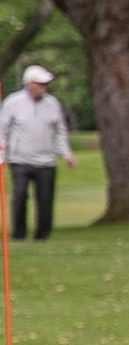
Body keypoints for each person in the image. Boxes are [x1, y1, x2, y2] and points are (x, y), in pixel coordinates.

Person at [0, 65, 75, 241]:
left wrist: (66, 154)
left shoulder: (52, 104)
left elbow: (60, 131)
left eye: (45, 84)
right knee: (20, 195)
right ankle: (19, 233)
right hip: (20, 159)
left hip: (46, 161)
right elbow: (2, 130)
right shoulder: (12, 102)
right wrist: (2, 154)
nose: (44, 87)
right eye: (40, 84)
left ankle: (42, 235)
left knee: (45, 199)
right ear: (29, 84)